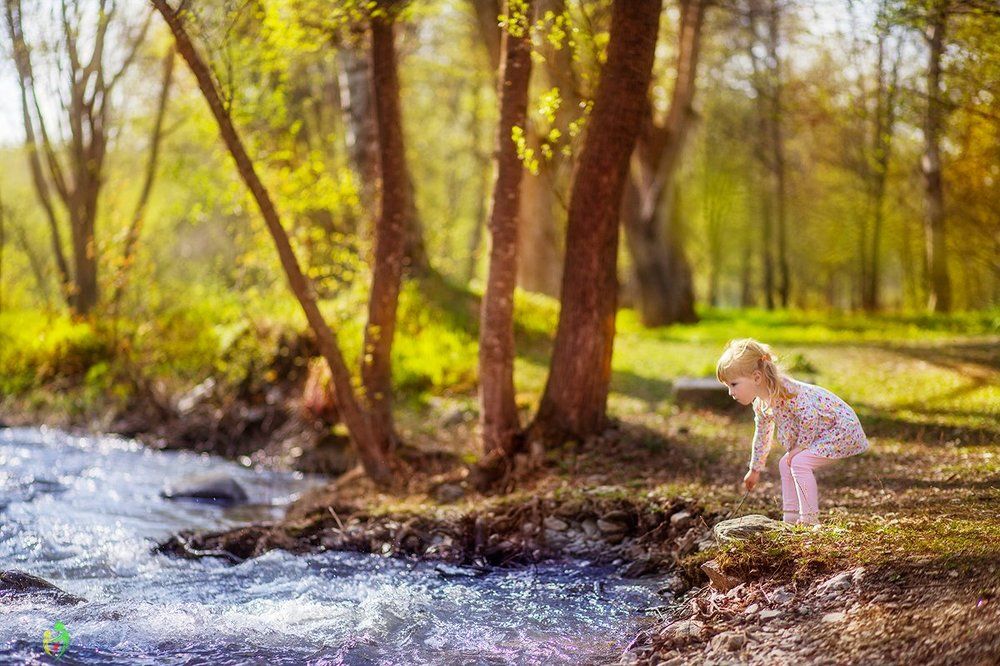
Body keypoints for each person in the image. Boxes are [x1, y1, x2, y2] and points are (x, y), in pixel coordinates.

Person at [715, 338, 869, 526]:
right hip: (823, 434)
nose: (730, 392)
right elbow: (762, 436)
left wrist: (801, 446)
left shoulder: (788, 391)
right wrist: (755, 469)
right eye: (727, 386)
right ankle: (790, 518)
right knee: (785, 463)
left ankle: (809, 521)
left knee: (799, 462)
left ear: (756, 377)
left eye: (733, 384)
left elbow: (809, 417)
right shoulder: (762, 404)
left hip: (842, 428)